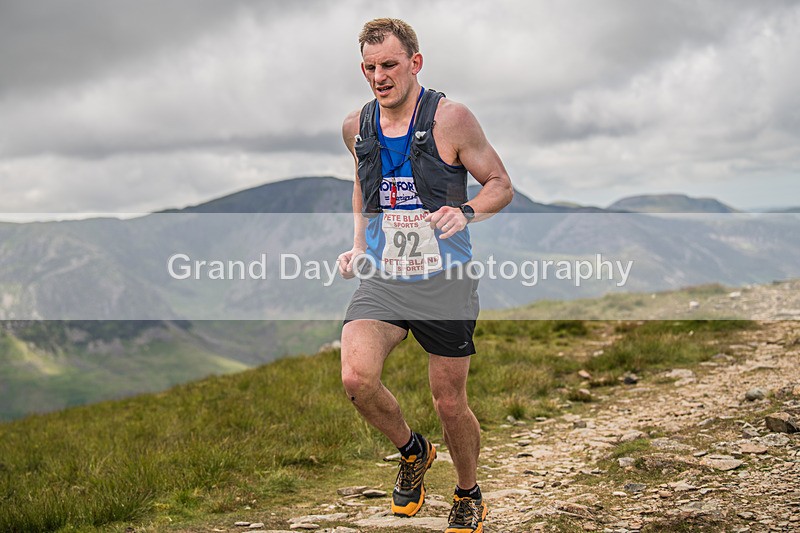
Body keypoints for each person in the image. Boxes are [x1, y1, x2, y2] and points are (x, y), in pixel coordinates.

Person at [337, 18, 513, 533]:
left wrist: (467, 211)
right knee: (356, 378)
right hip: (384, 278)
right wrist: (358, 246)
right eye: (370, 68)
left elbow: (500, 183)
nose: (379, 77)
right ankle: (413, 451)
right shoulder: (356, 127)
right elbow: (362, 186)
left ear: (415, 63)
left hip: (445, 280)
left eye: (389, 65)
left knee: (449, 402)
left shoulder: (451, 119)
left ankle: (467, 492)